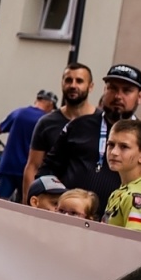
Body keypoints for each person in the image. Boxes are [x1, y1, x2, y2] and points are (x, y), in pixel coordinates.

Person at [38, 64, 141, 233]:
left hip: (118, 232)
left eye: (127, 90)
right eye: (112, 88)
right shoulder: (77, 126)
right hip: (68, 225)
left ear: (139, 96)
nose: (118, 96)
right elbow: (47, 172)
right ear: (104, 90)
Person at [21, 64, 94, 197]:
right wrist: (29, 203)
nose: (73, 85)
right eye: (68, 80)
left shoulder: (101, 122)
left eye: (79, 81)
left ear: (90, 86)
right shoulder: (47, 123)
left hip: (88, 204)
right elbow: (33, 166)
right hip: (52, 201)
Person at [0, 90, 56, 200]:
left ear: (37, 100)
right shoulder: (46, 121)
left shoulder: (19, 112)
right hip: (29, 172)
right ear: (50, 105)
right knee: (25, 204)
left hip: (8, 166)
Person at [101, 119, 141, 233]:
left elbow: (134, 243)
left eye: (124, 147)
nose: (114, 152)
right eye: (111, 144)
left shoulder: (135, 196)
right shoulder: (128, 188)